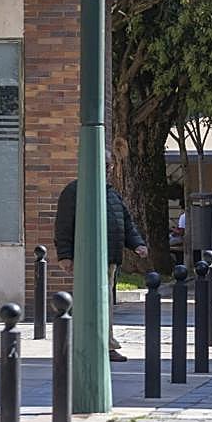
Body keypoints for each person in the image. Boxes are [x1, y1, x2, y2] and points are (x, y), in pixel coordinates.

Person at [54, 149, 149, 363]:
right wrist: (65, 256)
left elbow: (125, 222)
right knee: (91, 303)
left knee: (104, 303)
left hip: (109, 259)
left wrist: (137, 244)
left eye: (109, 165)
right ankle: (92, 344)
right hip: (86, 259)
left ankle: (105, 344)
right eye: (104, 165)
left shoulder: (111, 194)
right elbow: (63, 226)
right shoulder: (74, 191)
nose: (108, 169)